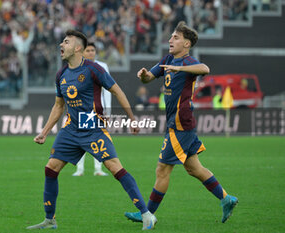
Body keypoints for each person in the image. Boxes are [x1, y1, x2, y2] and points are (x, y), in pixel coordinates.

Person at [26, 30, 157, 230]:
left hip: (92, 125)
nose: (61, 44)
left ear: (77, 48)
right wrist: (44, 131)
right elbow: (59, 106)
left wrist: (132, 119)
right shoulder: (61, 74)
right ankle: (50, 220)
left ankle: (146, 214)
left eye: (66, 41)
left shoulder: (93, 69)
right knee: (51, 168)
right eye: (62, 41)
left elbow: (116, 90)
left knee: (114, 167)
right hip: (70, 128)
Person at [124, 21, 238, 225]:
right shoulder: (168, 59)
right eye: (171, 37)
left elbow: (205, 68)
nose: (170, 40)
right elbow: (149, 77)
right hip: (178, 124)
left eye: (175, 37)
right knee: (194, 168)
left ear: (186, 44)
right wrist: (143, 76)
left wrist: (180, 69)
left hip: (180, 124)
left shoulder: (187, 63)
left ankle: (147, 215)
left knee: (162, 170)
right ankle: (226, 198)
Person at [72, 42, 111, 177]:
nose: (90, 53)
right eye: (88, 50)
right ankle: (80, 169)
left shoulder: (102, 66)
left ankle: (98, 169)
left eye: (92, 50)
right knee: (81, 139)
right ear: (82, 53)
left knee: (98, 139)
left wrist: (107, 110)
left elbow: (107, 90)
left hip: (98, 110)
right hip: (82, 110)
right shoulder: (77, 67)